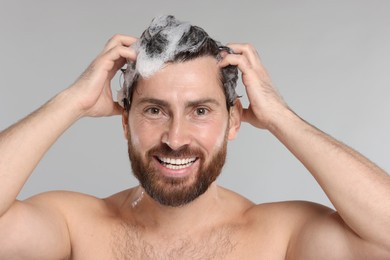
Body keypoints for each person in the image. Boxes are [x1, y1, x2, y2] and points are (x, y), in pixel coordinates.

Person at [0, 15, 389, 259]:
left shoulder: (278, 237)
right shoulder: (75, 227)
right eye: (154, 110)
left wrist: (282, 118)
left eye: (200, 111)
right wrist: (71, 102)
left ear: (234, 121)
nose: (175, 137)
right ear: (124, 121)